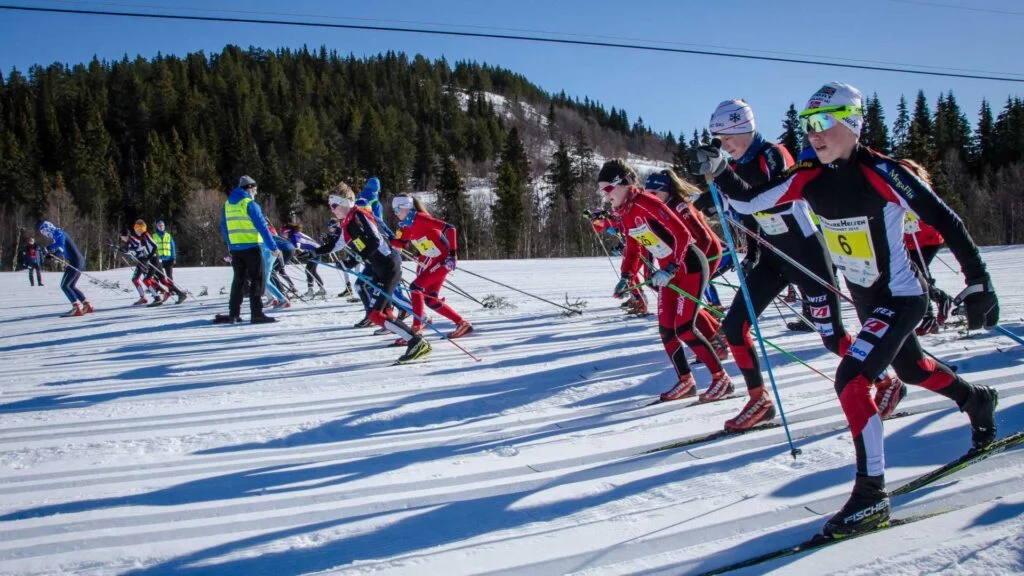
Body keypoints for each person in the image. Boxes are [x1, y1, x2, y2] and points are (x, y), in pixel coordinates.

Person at [690, 81, 999, 537]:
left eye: (823, 122)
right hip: (867, 298)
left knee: (852, 379)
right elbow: (752, 201)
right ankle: (977, 400)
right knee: (913, 370)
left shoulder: (881, 171)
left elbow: (943, 218)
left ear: (852, 123)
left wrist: (978, 281)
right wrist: (719, 171)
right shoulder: (809, 173)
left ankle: (870, 496)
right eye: (807, 124)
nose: (813, 133)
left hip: (900, 296)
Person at [598, 159, 732, 403]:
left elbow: (683, 234)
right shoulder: (625, 212)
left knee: (685, 328)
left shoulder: (646, 202)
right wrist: (626, 276)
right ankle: (685, 381)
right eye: (601, 190)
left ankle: (721, 379)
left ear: (624, 183)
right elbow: (633, 248)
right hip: (669, 272)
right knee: (666, 330)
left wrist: (672, 266)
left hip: (689, 266)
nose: (605, 195)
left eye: (608, 188)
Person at [316, 182, 431, 363]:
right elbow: (336, 244)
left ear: (345, 202)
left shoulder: (359, 215)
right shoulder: (348, 222)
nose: (332, 209)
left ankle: (416, 341)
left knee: (376, 314)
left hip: (388, 267)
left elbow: (375, 241)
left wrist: (353, 260)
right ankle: (414, 340)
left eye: (334, 205)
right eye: (330, 205)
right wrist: (312, 252)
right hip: (379, 269)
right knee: (382, 312)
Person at [642, 169, 730, 365]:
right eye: (647, 194)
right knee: (684, 302)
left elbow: (705, 239)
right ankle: (718, 333)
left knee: (687, 302)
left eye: (655, 193)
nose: (651, 198)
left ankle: (716, 344)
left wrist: (692, 265)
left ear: (667, 191)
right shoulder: (656, 208)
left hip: (705, 253)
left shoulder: (680, 205)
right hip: (684, 259)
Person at [390, 194, 473, 343]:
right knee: (431, 299)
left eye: (397, 209)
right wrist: (386, 239)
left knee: (415, 287)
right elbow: (403, 243)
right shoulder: (407, 224)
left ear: (406, 207)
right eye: (394, 210)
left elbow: (450, 228)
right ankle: (462, 324)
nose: (395, 213)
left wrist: (453, 254)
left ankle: (416, 330)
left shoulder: (421, 218)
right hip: (435, 260)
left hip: (444, 260)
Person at [900, 161, 955, 335]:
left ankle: (933, 311)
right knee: (916, 276)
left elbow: (933, 212)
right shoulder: (898, 188)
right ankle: (936, 305)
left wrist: (915, 219)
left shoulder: (920, 189)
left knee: (918, 276)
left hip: (927, 239)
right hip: (911, 240)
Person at [214, 175, 278, 324]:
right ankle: (257, 313)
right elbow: (263, 228)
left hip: (236, 249)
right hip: (251, 247)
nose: (256, 193)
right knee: (257, 280)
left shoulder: (227, 205)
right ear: (249, 189)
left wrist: (230, 246)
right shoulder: (249, 204)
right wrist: (273, 247)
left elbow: (224, 227)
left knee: (238, 281)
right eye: (255, 190)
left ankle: (233, 314)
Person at [38, 220, 93, 317]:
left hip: (76, 261)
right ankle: (87, 305)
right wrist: (53, 255)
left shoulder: (58, 232)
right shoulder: (58, 234)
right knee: (71, 285)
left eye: (44, 231)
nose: (45, 234)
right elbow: (61, 249)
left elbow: (60, 243)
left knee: (65, 286)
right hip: (77, 261)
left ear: (48, 228)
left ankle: (76, 308)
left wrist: (47, 248)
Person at [281, 222, 326, 297]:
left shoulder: (294, 236)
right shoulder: (295, 234)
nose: (283, 235)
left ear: (288, 231)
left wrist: (296, 250)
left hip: (315, 251)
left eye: (284, 233)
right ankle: (321, 289)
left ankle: (311, 291)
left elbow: (297, 245)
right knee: (312, 271)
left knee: (309, 270)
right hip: (315, 250)